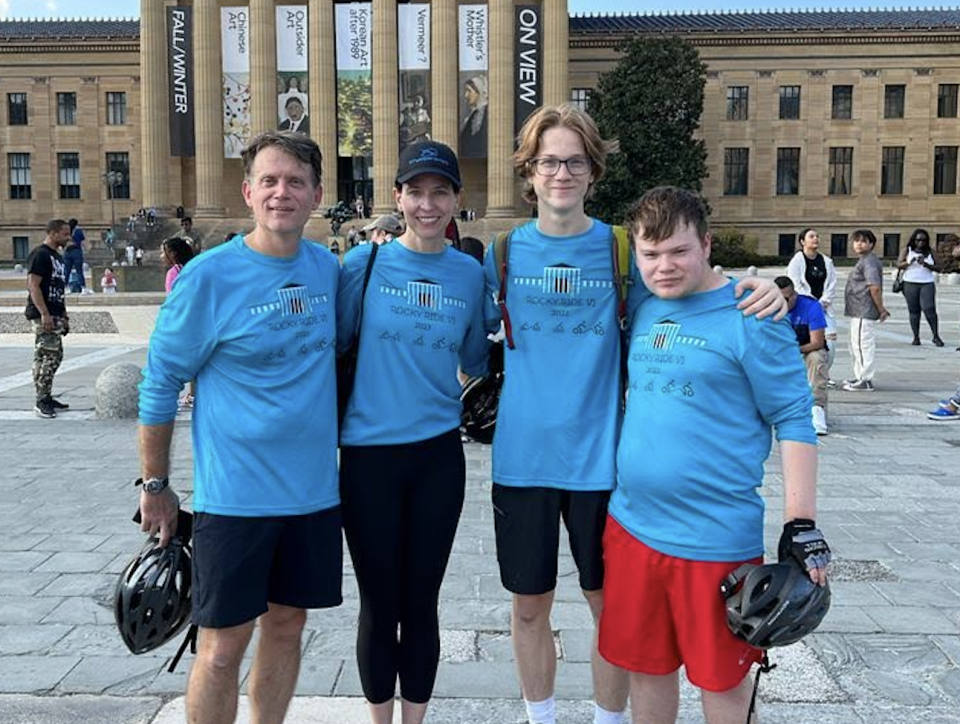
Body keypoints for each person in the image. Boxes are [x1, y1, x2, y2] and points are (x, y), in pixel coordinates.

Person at [482, 104, 787, 724]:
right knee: (529, 607)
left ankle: (609, 719)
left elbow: (691, 287)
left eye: (573, 161)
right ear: (529, 171)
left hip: (603, 464)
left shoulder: (623, 252)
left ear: (593, 170)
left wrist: (770, 287)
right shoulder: (503, 253)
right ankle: (541, 717)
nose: (560, 173)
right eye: (548, 162)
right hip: (522, 462)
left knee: (608, 609)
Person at [601, 185, 829, 724]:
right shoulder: (647, 308)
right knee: (647, 670)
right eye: (650, 254)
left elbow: (794, 419)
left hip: (714, 541)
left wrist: (801, 522)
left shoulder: (752, 315)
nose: (664, 266)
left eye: (678, 251)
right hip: (631, 527)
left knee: (721, 681)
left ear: (705, 244)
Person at [137, 130, 342, 724]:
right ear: (248, 192)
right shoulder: (208, 278)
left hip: (311, 495)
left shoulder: (328, 271)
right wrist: (154, 485)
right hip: (235, 498)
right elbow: (159, 383)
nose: (283, 192)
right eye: (270, 181)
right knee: (222, 648)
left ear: (317, 195)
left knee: (287, 626)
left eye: (296, 182)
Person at [337, 141, 489, 724]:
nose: (428, 204)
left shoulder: (469, 274)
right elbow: (334, 341)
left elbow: (475, 356)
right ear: (396, 197)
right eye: (416, 191)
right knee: (379, 603)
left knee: (422, 602)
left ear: (456, 200)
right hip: (368, 457)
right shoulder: (363, 265)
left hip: (436, 458)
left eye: (440, 192)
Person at [25, 220, 71, 419]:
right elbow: (33, 285)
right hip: (43, 314)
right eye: (64, 234)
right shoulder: (41, 254)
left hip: (54, 312)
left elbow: (59, 290)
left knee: (48, 355)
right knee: (49, 355)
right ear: (52, 233)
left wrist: (64, 314)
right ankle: (41, 400)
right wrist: (44, 313)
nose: (68, 238)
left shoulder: (57, 257)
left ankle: (45, 396)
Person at [776, 276, 829, 435]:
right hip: (778, 352)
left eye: (785, 299)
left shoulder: (811, 307)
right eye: (777, 298)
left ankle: (816, 408)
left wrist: (793, 350)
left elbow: (817, 342)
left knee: (816, 358)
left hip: (806, 349)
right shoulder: (769, 308)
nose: (781, 304)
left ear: (794, 296)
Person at [786, 228, 838, 380]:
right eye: (811, 236)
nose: (815, 239)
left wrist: (823, 302)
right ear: (802, 241)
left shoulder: (827, 262)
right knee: (808, 340)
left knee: (830, 340)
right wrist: (811, 304)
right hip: (805, 308)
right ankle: (805, 373)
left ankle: (823, 373)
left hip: (824, 307)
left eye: (817, 236)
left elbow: (832, 284)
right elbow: (795, 284)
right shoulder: (796, 261)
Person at [843, 229, 889, 391]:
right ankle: (859, 376)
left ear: (871, 244)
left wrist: (881, 309)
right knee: (855, 344)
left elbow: (874, 287)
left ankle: (865, 379)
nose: (859, 244)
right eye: (856, 241)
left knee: (863, 345)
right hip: (858, 310)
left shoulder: (869, 261)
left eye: (863, 241)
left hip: (864, 310)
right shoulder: (864, 260)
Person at [896, 228, 943, 347]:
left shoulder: (931, 251)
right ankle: (916, 337)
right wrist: (909, 262)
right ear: (914, 240)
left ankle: (935, 336)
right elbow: (899, 264)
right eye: (918, 240)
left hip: (926, 283)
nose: (921, 243)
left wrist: (926, 264)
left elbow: (939, 267)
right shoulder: (907, 250)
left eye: (923, 240)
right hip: (910, 283)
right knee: (914, 311)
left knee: (929, 308)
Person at [459, 76, 488, 157]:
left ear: (479, 92)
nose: (466, 95)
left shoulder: (487, 113)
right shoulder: (474, 114)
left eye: (469, 91)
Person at [63, 218, 85, 293]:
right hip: (76, 251)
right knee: (79, 271)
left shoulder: (66, 232)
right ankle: (83, 288)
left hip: (67, 251)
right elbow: (82, 242)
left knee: (66, 271)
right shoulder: (78, 231)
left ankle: (65, 288)